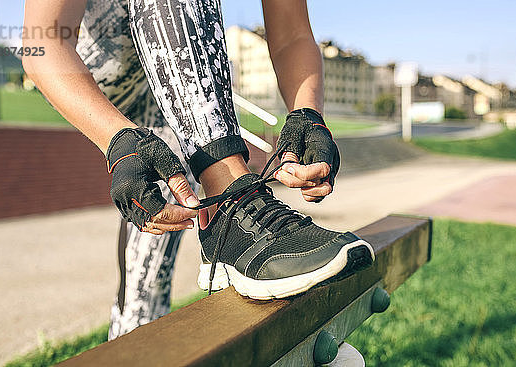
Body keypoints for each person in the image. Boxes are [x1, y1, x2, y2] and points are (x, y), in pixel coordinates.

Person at [22, 0, 374, 339]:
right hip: (96, 61)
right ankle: (234, 199)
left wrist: (308, 115)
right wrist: (117, 141)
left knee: (146, 285)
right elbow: (43, 41)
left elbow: (294, 36)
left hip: (173, 78)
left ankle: (136, 338)